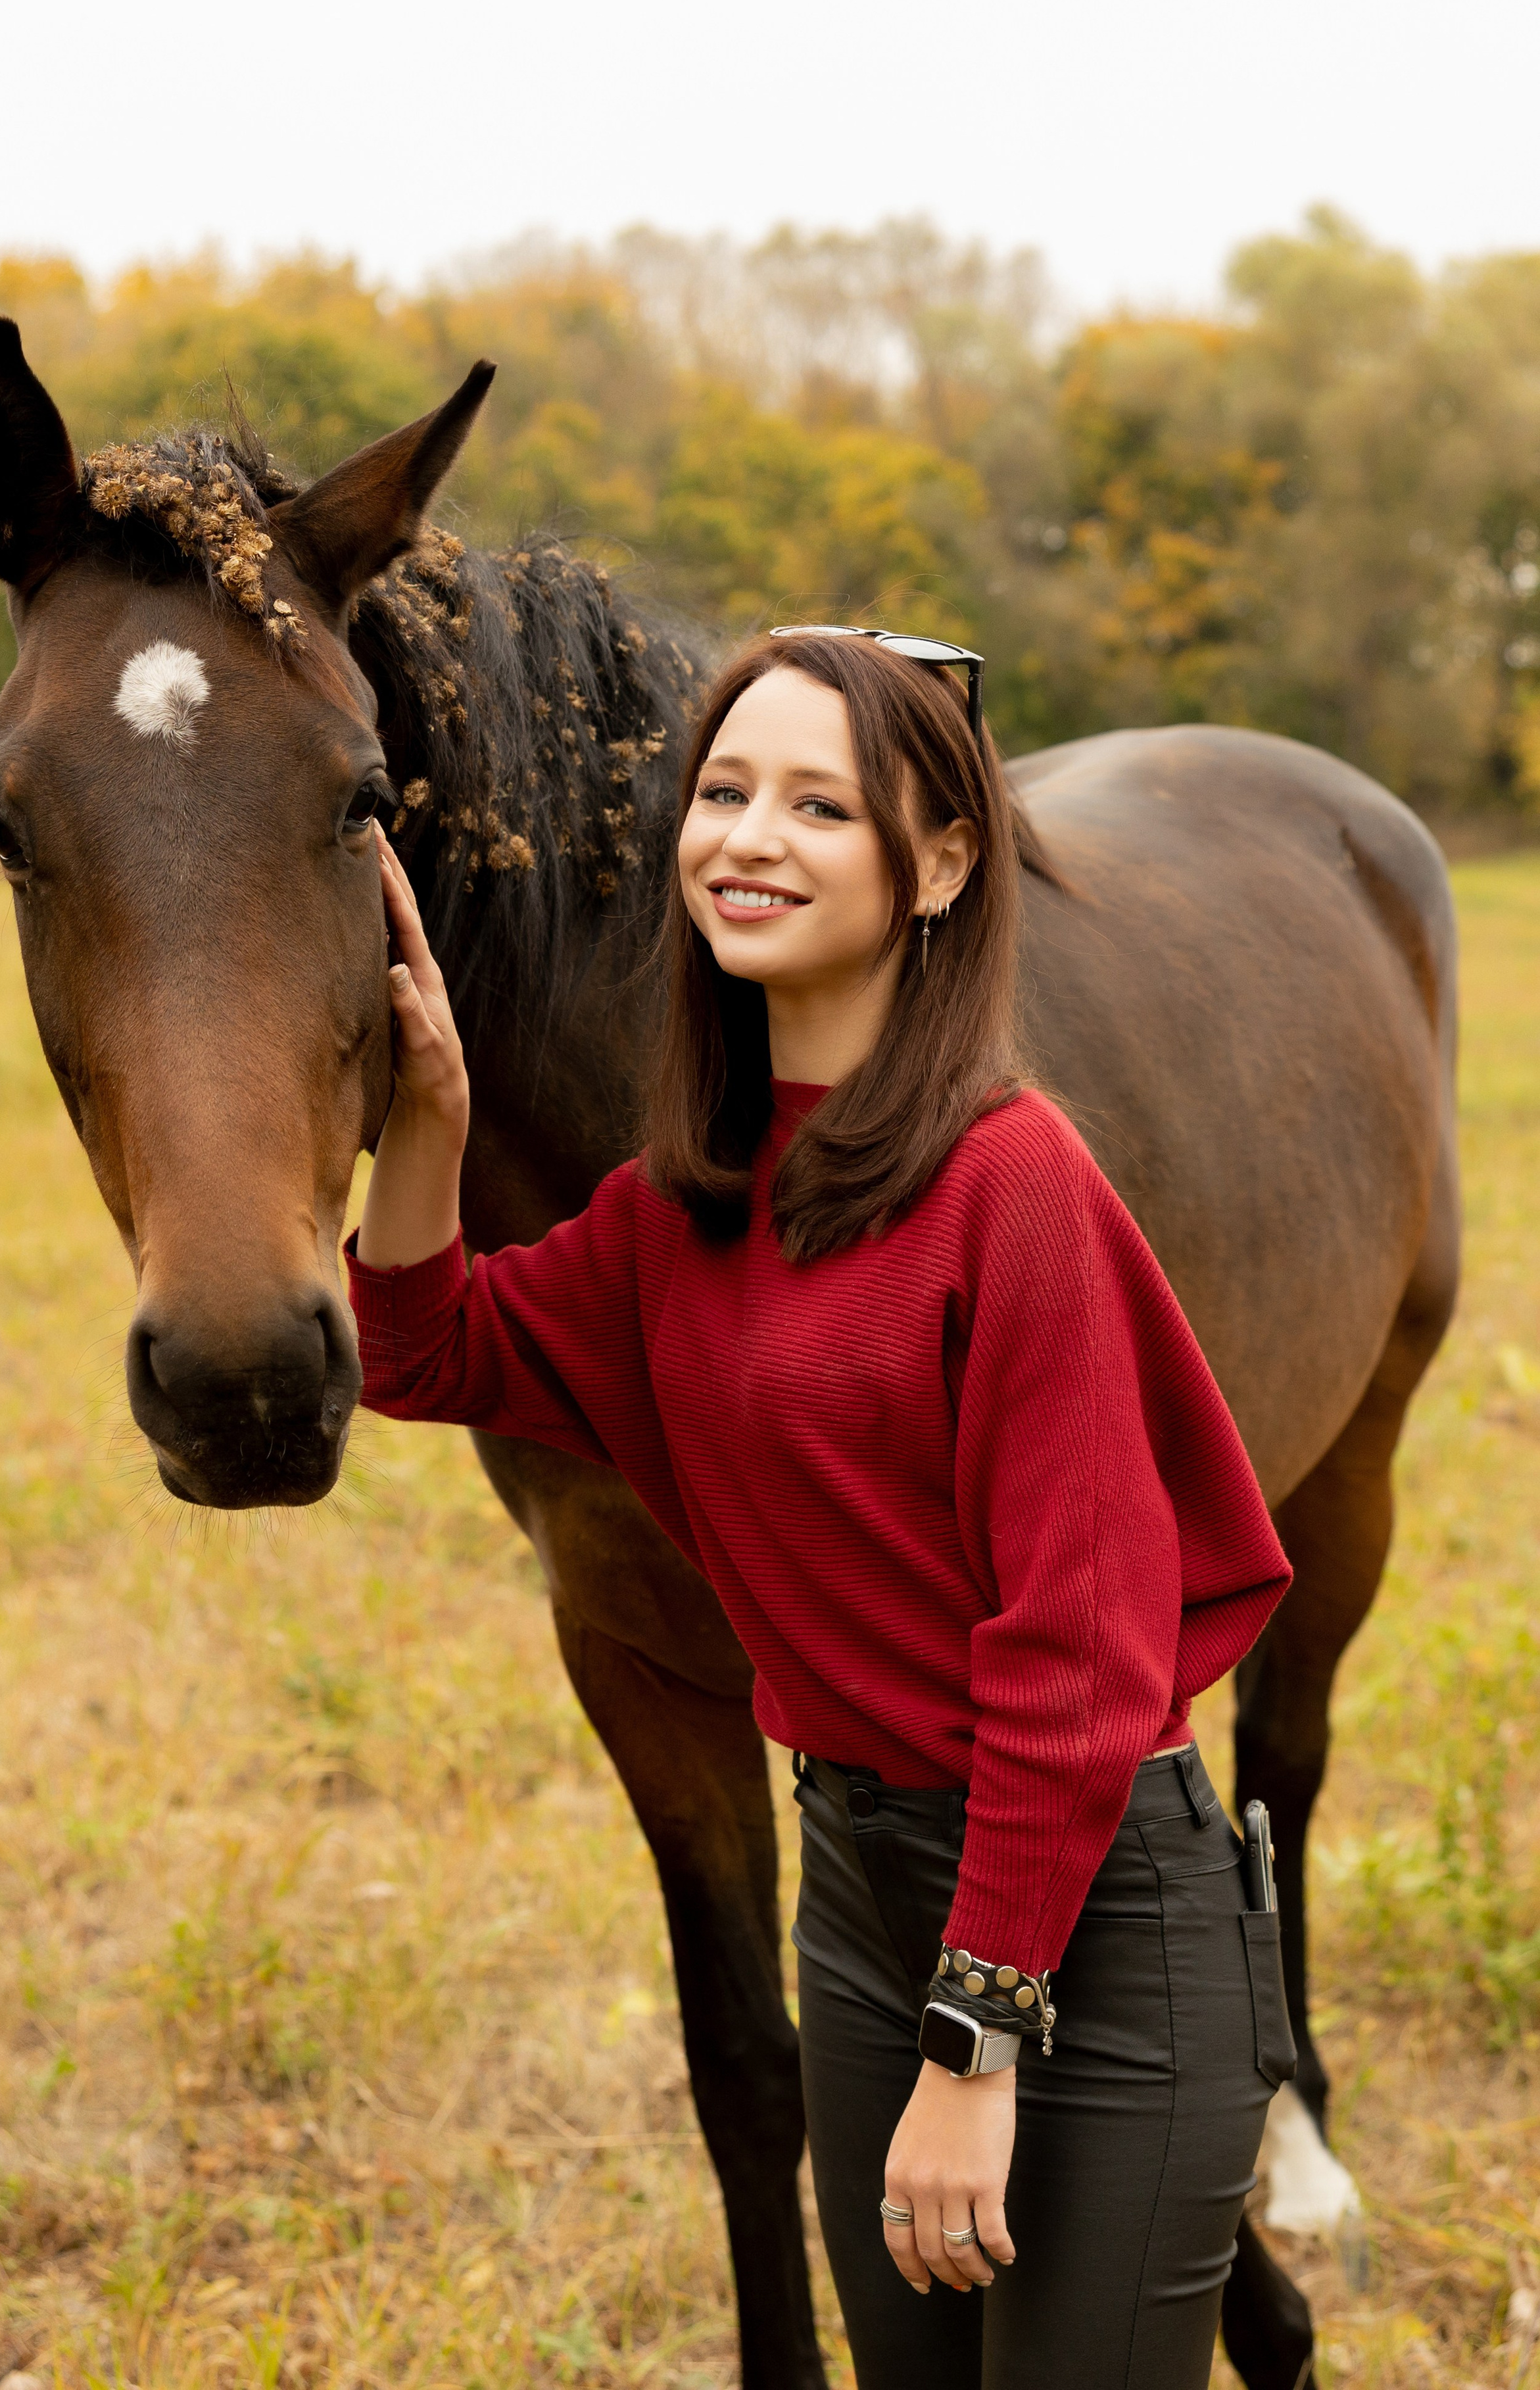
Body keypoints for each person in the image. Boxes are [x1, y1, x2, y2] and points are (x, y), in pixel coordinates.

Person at [347, 627, 1295, 2389]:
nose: (748, 839)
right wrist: (429, 1120)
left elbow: (1081, 1658)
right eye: (721, 794)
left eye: (817, 804)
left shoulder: (1014, 1184)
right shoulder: (677, 1210)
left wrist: (975, 2047)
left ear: (938, 862)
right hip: (859, 1901)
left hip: (1086, 1922)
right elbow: (421, 1353)